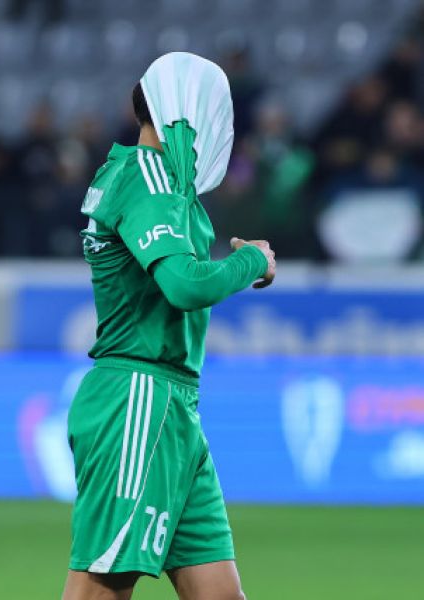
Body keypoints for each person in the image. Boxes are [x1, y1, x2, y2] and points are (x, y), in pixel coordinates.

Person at [63, 53, 276, 600]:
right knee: (102, 586)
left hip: (174, 404)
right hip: (139, 399)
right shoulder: (146, 177)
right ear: (185, 112)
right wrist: (251, 260)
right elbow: (184, 285)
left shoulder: (159, 184)